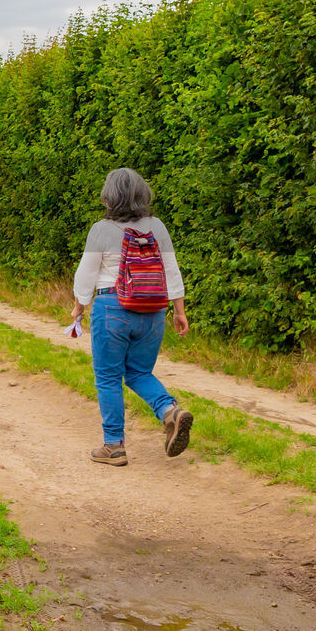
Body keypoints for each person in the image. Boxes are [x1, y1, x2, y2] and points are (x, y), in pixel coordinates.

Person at [71, 167, 191, 466]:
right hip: (153, 310)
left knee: (108, 376)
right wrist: (179, 311)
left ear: (109, 197)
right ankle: (170, 411)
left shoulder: (101, 229)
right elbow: (171, 271)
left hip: (113, 308)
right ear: (143, 193)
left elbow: (86, 275)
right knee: (138, 372)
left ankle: (113, 445)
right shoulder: (157, 227)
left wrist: (78, 308)